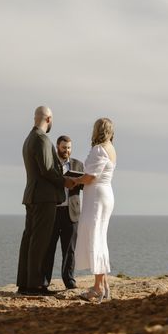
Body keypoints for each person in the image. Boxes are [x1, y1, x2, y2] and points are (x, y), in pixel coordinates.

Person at [16, 106, 75, 296]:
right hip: (44, 198)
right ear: (48, 119)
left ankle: (24, 283)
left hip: (32, 196)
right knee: (39, 242)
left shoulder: (28, 139)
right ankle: (35, 286)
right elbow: (48, 169)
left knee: (30, 240)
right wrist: (65, 181)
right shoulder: (41, 139)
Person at [73, 118, 117, 303]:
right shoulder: (111, 149)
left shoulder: (99, 149)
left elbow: (91, 177)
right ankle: (104, 284)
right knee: (99, 237)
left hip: (97, 197)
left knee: (95, 238)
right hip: (104, 194)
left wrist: (75, 180)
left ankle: (97, 288)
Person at [42, 135, 84, 290]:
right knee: (49, 248)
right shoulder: (50, 165)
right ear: (57, 147)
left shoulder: (78, 165)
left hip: (71, 212)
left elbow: (84, 186)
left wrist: (77, 182)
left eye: (69, 148)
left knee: (69, 250)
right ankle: (44, 281)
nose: (67, 150)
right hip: (53, 211)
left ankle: (69, 280)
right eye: (63, 147)